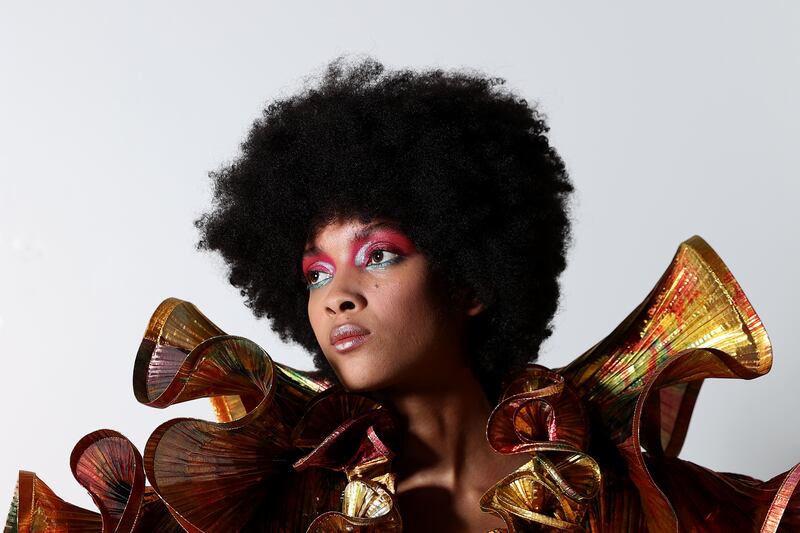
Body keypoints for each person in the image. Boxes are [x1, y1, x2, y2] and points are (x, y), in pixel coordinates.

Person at [6, 57, 799, 532]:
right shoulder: (279, 501)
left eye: (377, 255)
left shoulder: (611, 484)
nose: (335, 296)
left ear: (472, 279)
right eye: (315, 273)